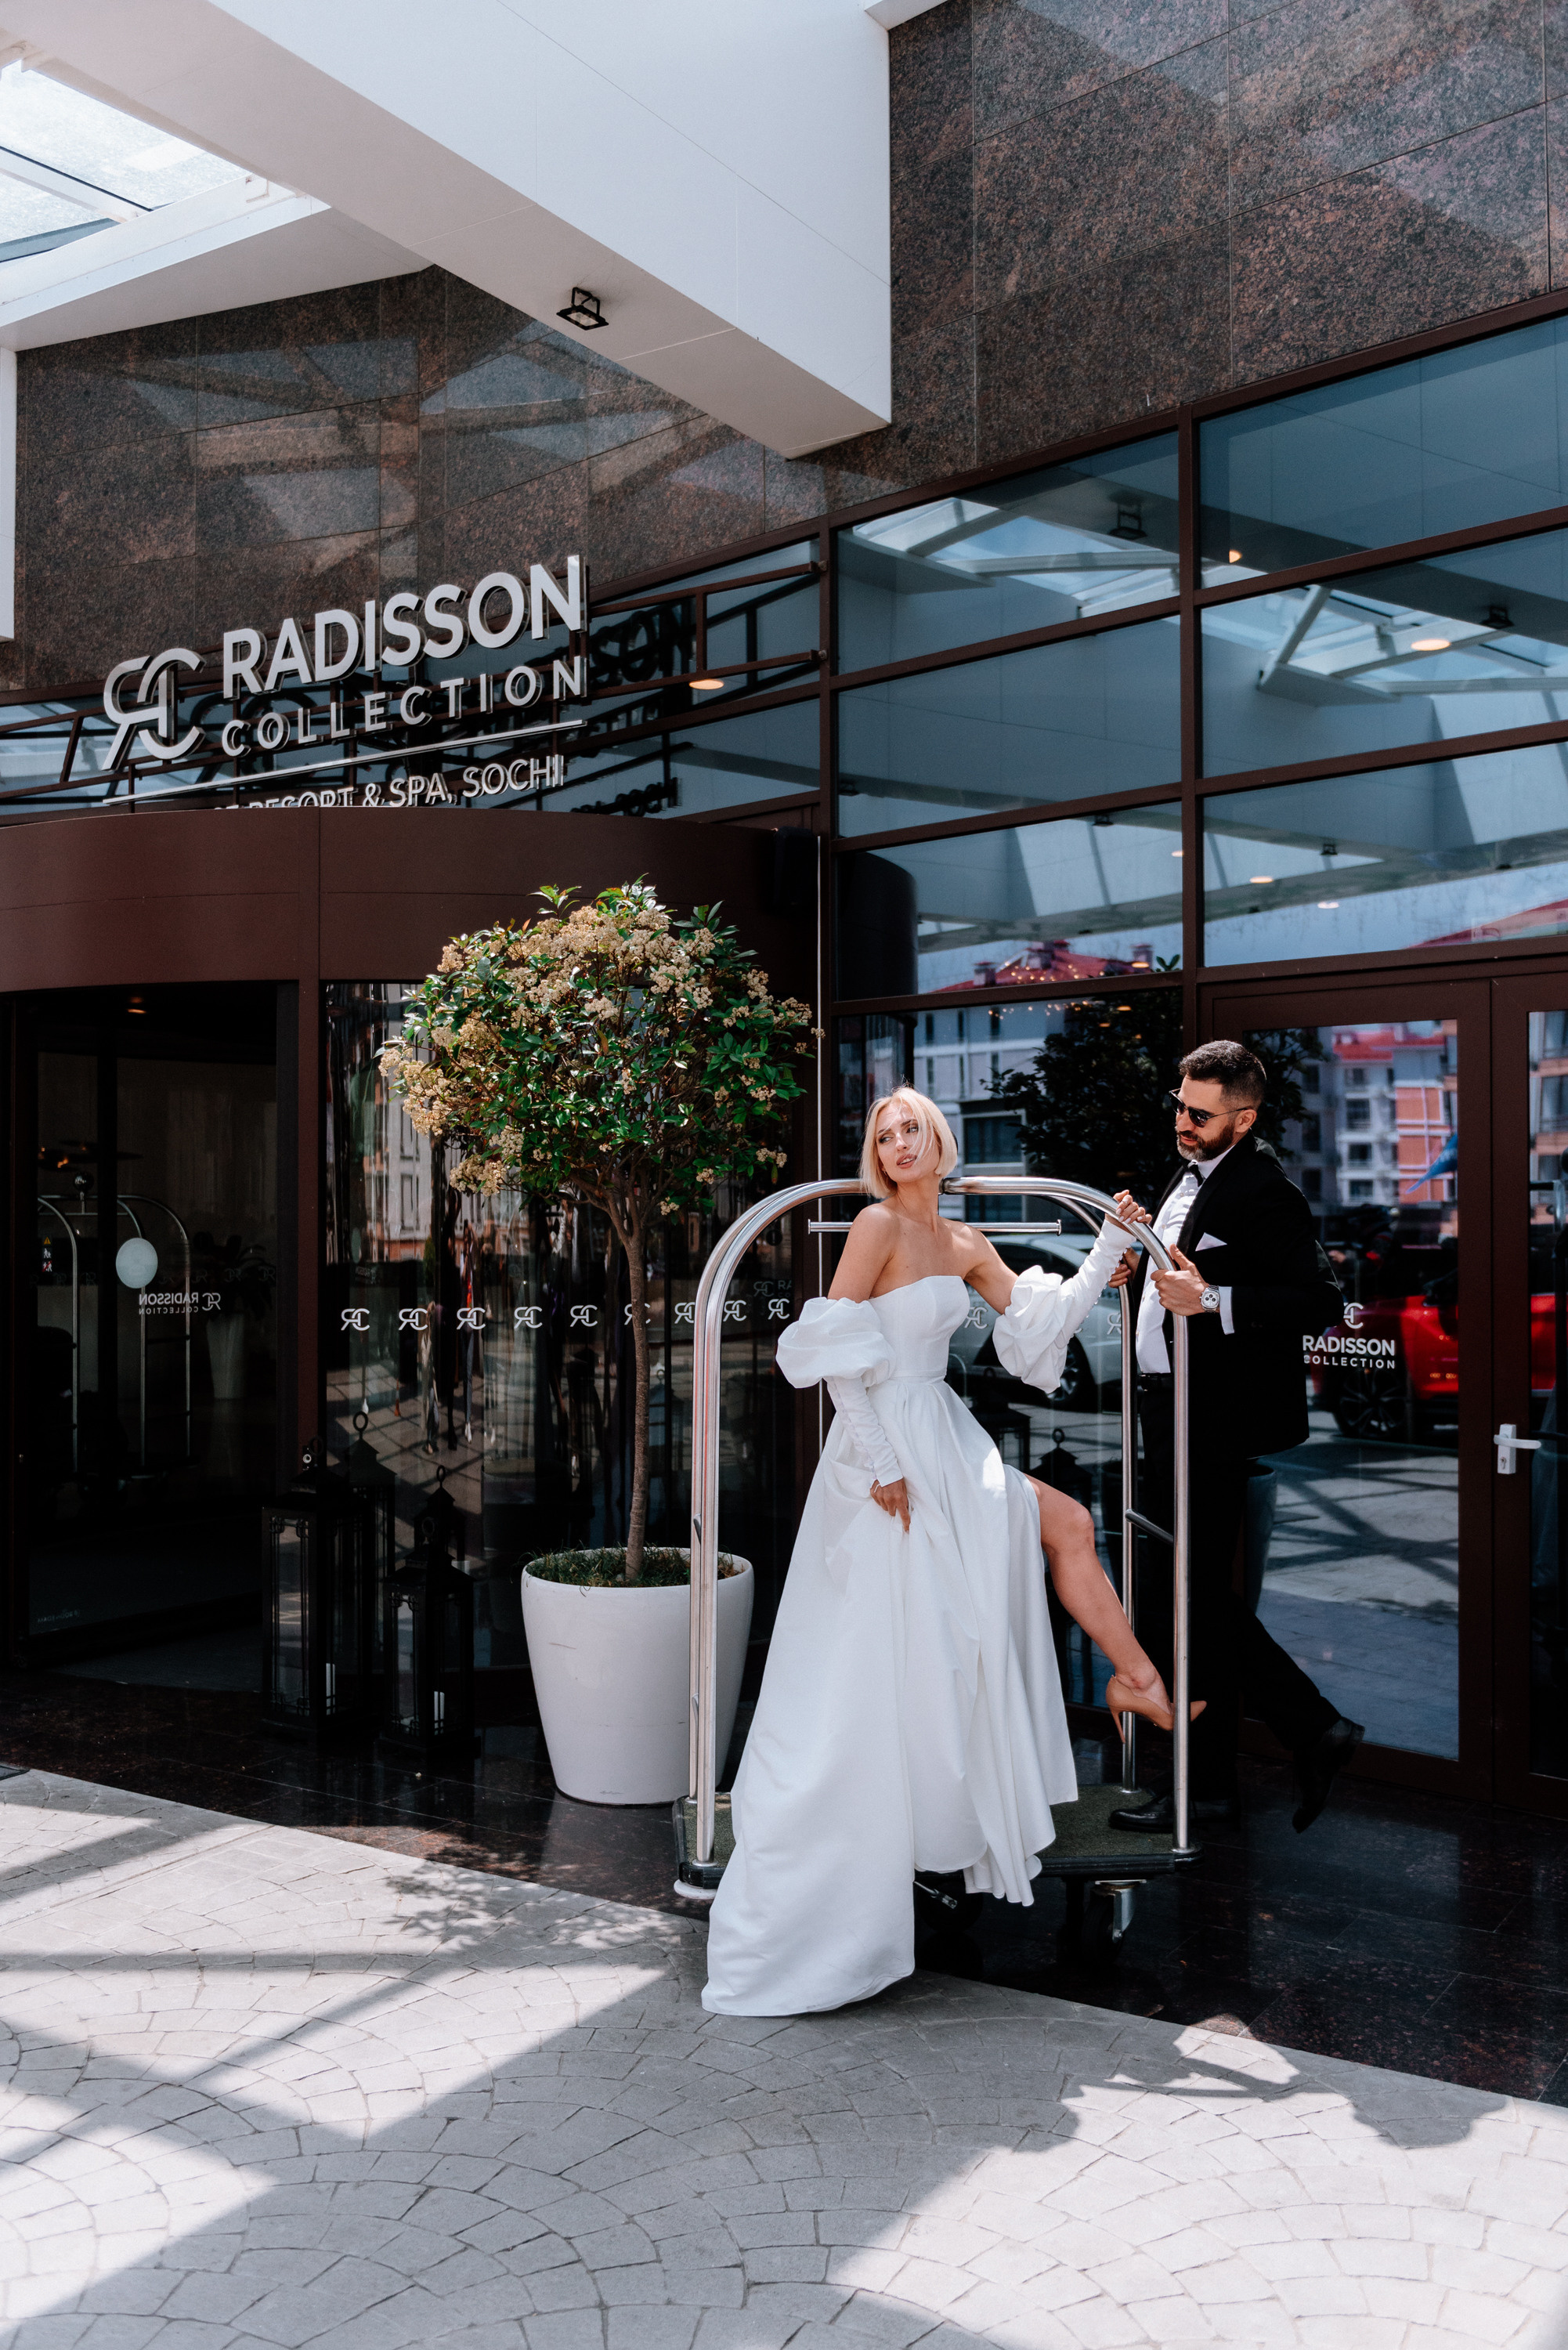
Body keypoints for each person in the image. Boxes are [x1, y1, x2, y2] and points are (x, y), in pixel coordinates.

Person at [702, 1086, 1200, 2019]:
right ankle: (1106, 1698)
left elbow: (1029, 1336)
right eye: (883, 1134)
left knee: (1062, 1531)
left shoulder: (966, 1244)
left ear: (940, 1142)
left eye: (910, 1130)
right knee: (916, 1634)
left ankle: (1133, 1680)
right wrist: (880, 1460)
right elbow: (829, 1347)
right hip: (881, 1447)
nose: (896, 1144)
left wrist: (1103, 1252)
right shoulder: (874, 1227)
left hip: (945, 1434)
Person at [1107, 1039, 1364, 1836]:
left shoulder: (1263, 1189)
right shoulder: (1189, 1175)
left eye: (1198, 1113)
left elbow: (1319, 1299)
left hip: (1212, 1419)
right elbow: (1173, 1276)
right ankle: (1267, 1753)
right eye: (1178, 1105)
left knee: (1181, 1600)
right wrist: (1134, 1276)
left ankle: (1281, 1742)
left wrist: (1212, 1298)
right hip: (1165, 1407)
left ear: (1242, 1118)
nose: (1182, 1122)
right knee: (1185, 1598)